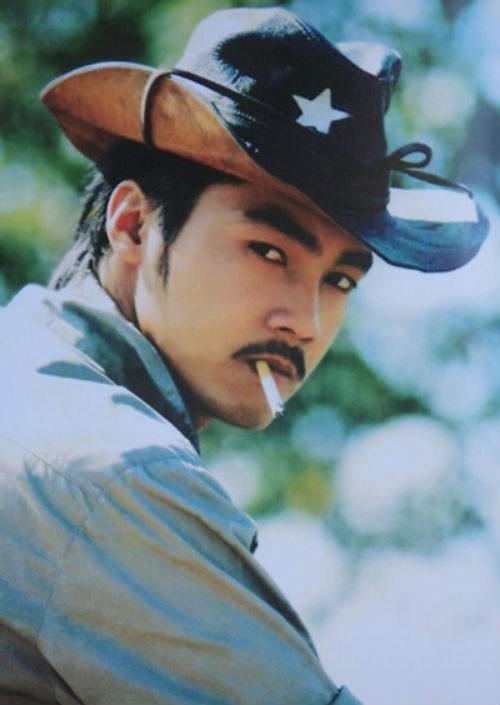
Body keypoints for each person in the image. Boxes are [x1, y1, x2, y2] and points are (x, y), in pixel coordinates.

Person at [0, 7, 489, 705]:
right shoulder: (116, 471)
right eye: (268, 250)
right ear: (133, 225)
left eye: (340, 281)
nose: (306, 322)